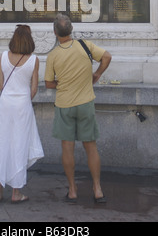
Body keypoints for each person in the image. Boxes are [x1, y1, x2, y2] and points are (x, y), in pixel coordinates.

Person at [45, 13, 111, 204]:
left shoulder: (53, 55)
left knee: (67, 148)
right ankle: (97, 189)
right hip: (85, 103)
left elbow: (49, 83)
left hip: (64, 105)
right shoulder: (85, 46)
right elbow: (106, 56)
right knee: (90, 147)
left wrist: (64, 83)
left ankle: (72, 190)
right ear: (71, 29)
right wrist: (96, 74)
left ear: (55, 32)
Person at [0, 24, 44, 203]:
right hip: (22, 106)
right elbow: (34, 89)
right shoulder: (34, 60)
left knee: (2, 143)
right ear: (29, 40)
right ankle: (16, 193)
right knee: (19, 145)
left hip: (5, 105)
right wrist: (24, 97)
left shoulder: (3, 56)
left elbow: (1, 85)